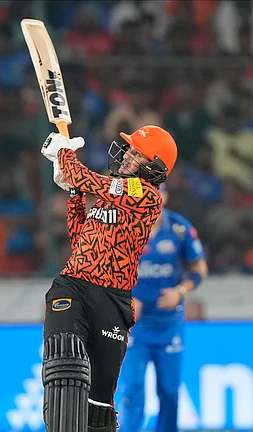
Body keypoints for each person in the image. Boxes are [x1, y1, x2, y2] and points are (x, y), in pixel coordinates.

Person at [39, 126, 178, 432]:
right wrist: (74, 194)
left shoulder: (146, 195)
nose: (128, 155)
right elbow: (80, 240)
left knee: (100, 405)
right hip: (73, 284)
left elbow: (88, 179)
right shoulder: (111, 196)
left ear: (154, 165)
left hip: (112, 302)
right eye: (130, 149)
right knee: (66, 362)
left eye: (138, 153)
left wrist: (64, 155)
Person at [118, 183, 208, 432]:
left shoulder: (179, 229)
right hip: (133, 325)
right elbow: (106, 273)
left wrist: (179, 292)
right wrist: (124, 298)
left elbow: (199, 269)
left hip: (169, 323)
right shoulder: (124, 227)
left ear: (165, 196)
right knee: (132, 389)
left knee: (169, 392)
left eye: (156, 194)